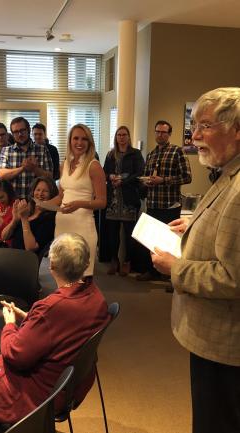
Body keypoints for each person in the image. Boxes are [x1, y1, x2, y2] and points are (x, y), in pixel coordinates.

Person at [151, 87, 240, 433]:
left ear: (237, 129)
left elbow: (233, 278)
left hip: (226, 345)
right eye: (193, 127)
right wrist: (195, 223)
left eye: (205, 126)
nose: (195, 136)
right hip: (213, 339)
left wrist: (177, 268)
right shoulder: (227, 171)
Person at [0, 232, 110, 426]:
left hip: (41, 393)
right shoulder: (97, 298)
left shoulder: (51, 308)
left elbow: (15, 356)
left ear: (51, 266)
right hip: (69, 385)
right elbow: (66, 328)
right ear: (86, 264)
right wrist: (30, 318)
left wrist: (10, 323)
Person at [46, 124, 106, 277]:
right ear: (70, 141)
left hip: (83, 226)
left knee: (82, 278)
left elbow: (102, 201)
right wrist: (40, 206)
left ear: (90, 142)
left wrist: (79, 204)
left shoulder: (94, 166)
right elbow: (61, 196)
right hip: (62, 225)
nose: (80, 143)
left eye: (84, 139)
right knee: (61, 274)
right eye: (76, 138)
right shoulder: (64, 164)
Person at [137, 120, 192, 281]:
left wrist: (164, 180)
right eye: (157, 131)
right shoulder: (151, 154)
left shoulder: (177, 151)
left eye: (163, 132)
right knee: (151, 240)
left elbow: (187, 177)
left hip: (170, 205)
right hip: (153, 203)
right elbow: (147, 176)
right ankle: (152, 271)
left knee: (170, 242)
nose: (160, 135)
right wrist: (146, 181)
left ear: (169, 134)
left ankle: (171, 275)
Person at [103, 126, 145, 276]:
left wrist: (123, 181)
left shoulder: (135, 154)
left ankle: (127, 261)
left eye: (124, 134)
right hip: (113, 200)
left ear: (128, 137)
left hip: (129, 199)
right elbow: (104, 172)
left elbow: (140, 173)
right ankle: (114, 261)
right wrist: (110, 177)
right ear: (116, 137)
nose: (121, 137)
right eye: (119, 135)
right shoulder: (110, 154)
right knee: (112, 235)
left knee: (129, 235)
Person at [0, 117, 53, 199]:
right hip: (13, 202)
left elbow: (50, 177)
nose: (20, 134)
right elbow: (1, 175)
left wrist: (34, 169)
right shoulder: (6, 151)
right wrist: (22, 168)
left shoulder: (42, 150)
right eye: (16, 132)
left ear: (29, 130)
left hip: (37, 202)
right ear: (12, 134)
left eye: (22, 130)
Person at [2, 176, 58, 255]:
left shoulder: (50, 218)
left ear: (52, 195)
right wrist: (15, 220)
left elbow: (31, 248)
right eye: (38, 190)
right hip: (12, 256)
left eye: (45, 191)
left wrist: (24, 219)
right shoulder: (26, 210)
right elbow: (4, 237)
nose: (40, 194)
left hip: (29, 262)